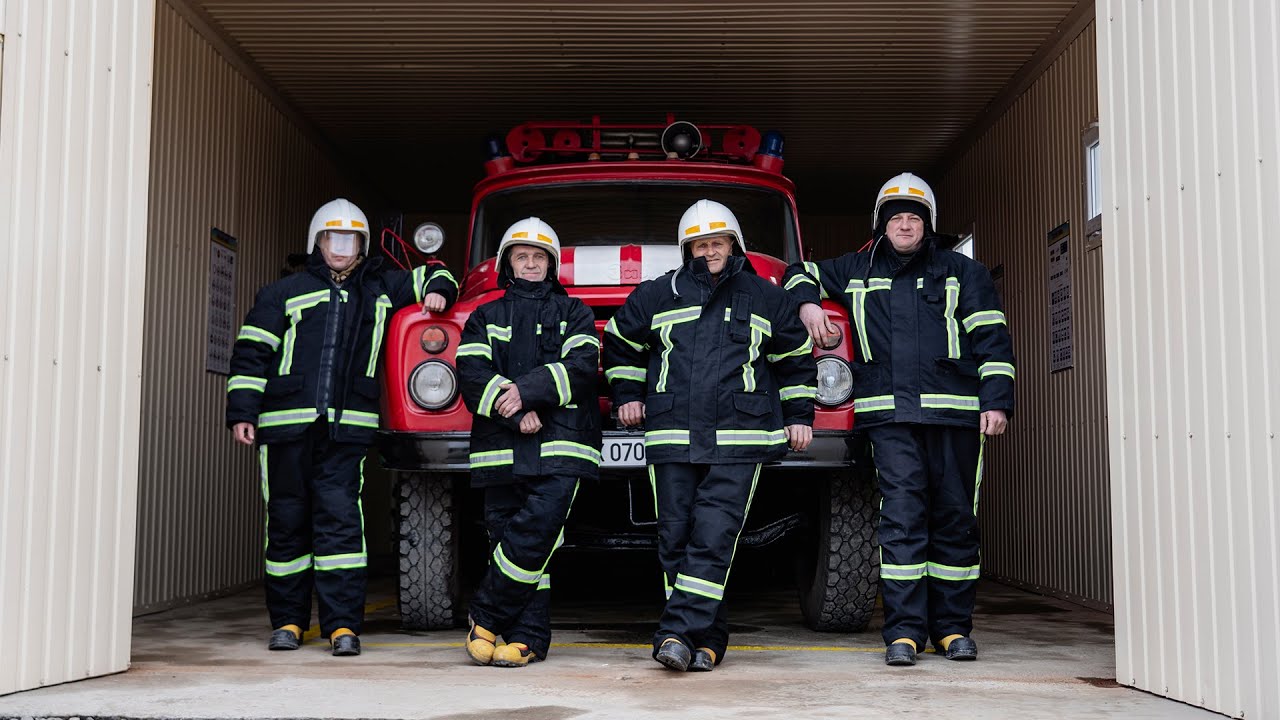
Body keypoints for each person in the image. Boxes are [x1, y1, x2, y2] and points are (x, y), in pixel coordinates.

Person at [782, 173, 1015, 666]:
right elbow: (797, 271)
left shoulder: (963, 273)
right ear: (881, 225)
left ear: (927, 224)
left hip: (955, 417)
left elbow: (993, 341)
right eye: (896, 218)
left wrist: (996, 401)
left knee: (954, 521)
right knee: (902, 521)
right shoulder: (856, 269)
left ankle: (952, 630)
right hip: (888, 420)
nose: (905, 225)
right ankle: (904, 634)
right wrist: (806, 304)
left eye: (913, 217)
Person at [225, 197, 457, 656]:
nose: (340, 247)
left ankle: (342, 627)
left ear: (362, 245)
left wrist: (440, 291)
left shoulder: (382, 288)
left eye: (350, 239)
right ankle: (288, 622)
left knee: (342, 529)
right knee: (287, 524)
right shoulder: (282, 292)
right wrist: (242, 412)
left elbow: (440, 272)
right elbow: (252, 353)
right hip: (284, 427)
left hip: (346, 431)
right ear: (318, 241)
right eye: (332, 237)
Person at [603, 199, 816, 672]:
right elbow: (618, 342)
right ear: (687, 249)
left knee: (714, 536)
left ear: (733, 244)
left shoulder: (765, 295)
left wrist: (800, 414)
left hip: (740, 437)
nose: (709, 251)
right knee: (676, 539)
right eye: (700, 244)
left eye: (717, 243)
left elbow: (797, 358)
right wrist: (626, 395)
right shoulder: (657, 294)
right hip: (672, 435)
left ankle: (675, 633)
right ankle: (709, 641)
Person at [456, 217, 602, 668]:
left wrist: (529, 390)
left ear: (552, 265)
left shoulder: (574, 312)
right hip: (501, 446)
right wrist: (517, 409)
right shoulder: (484, 315)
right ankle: (528, 640)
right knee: (510, 540)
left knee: (535, 531)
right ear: (507, 264)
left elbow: (582, 364)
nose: (531, 263)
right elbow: (471, 372)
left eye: (540, 257)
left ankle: (485, 616)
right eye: (523, 256)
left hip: (563, 445)